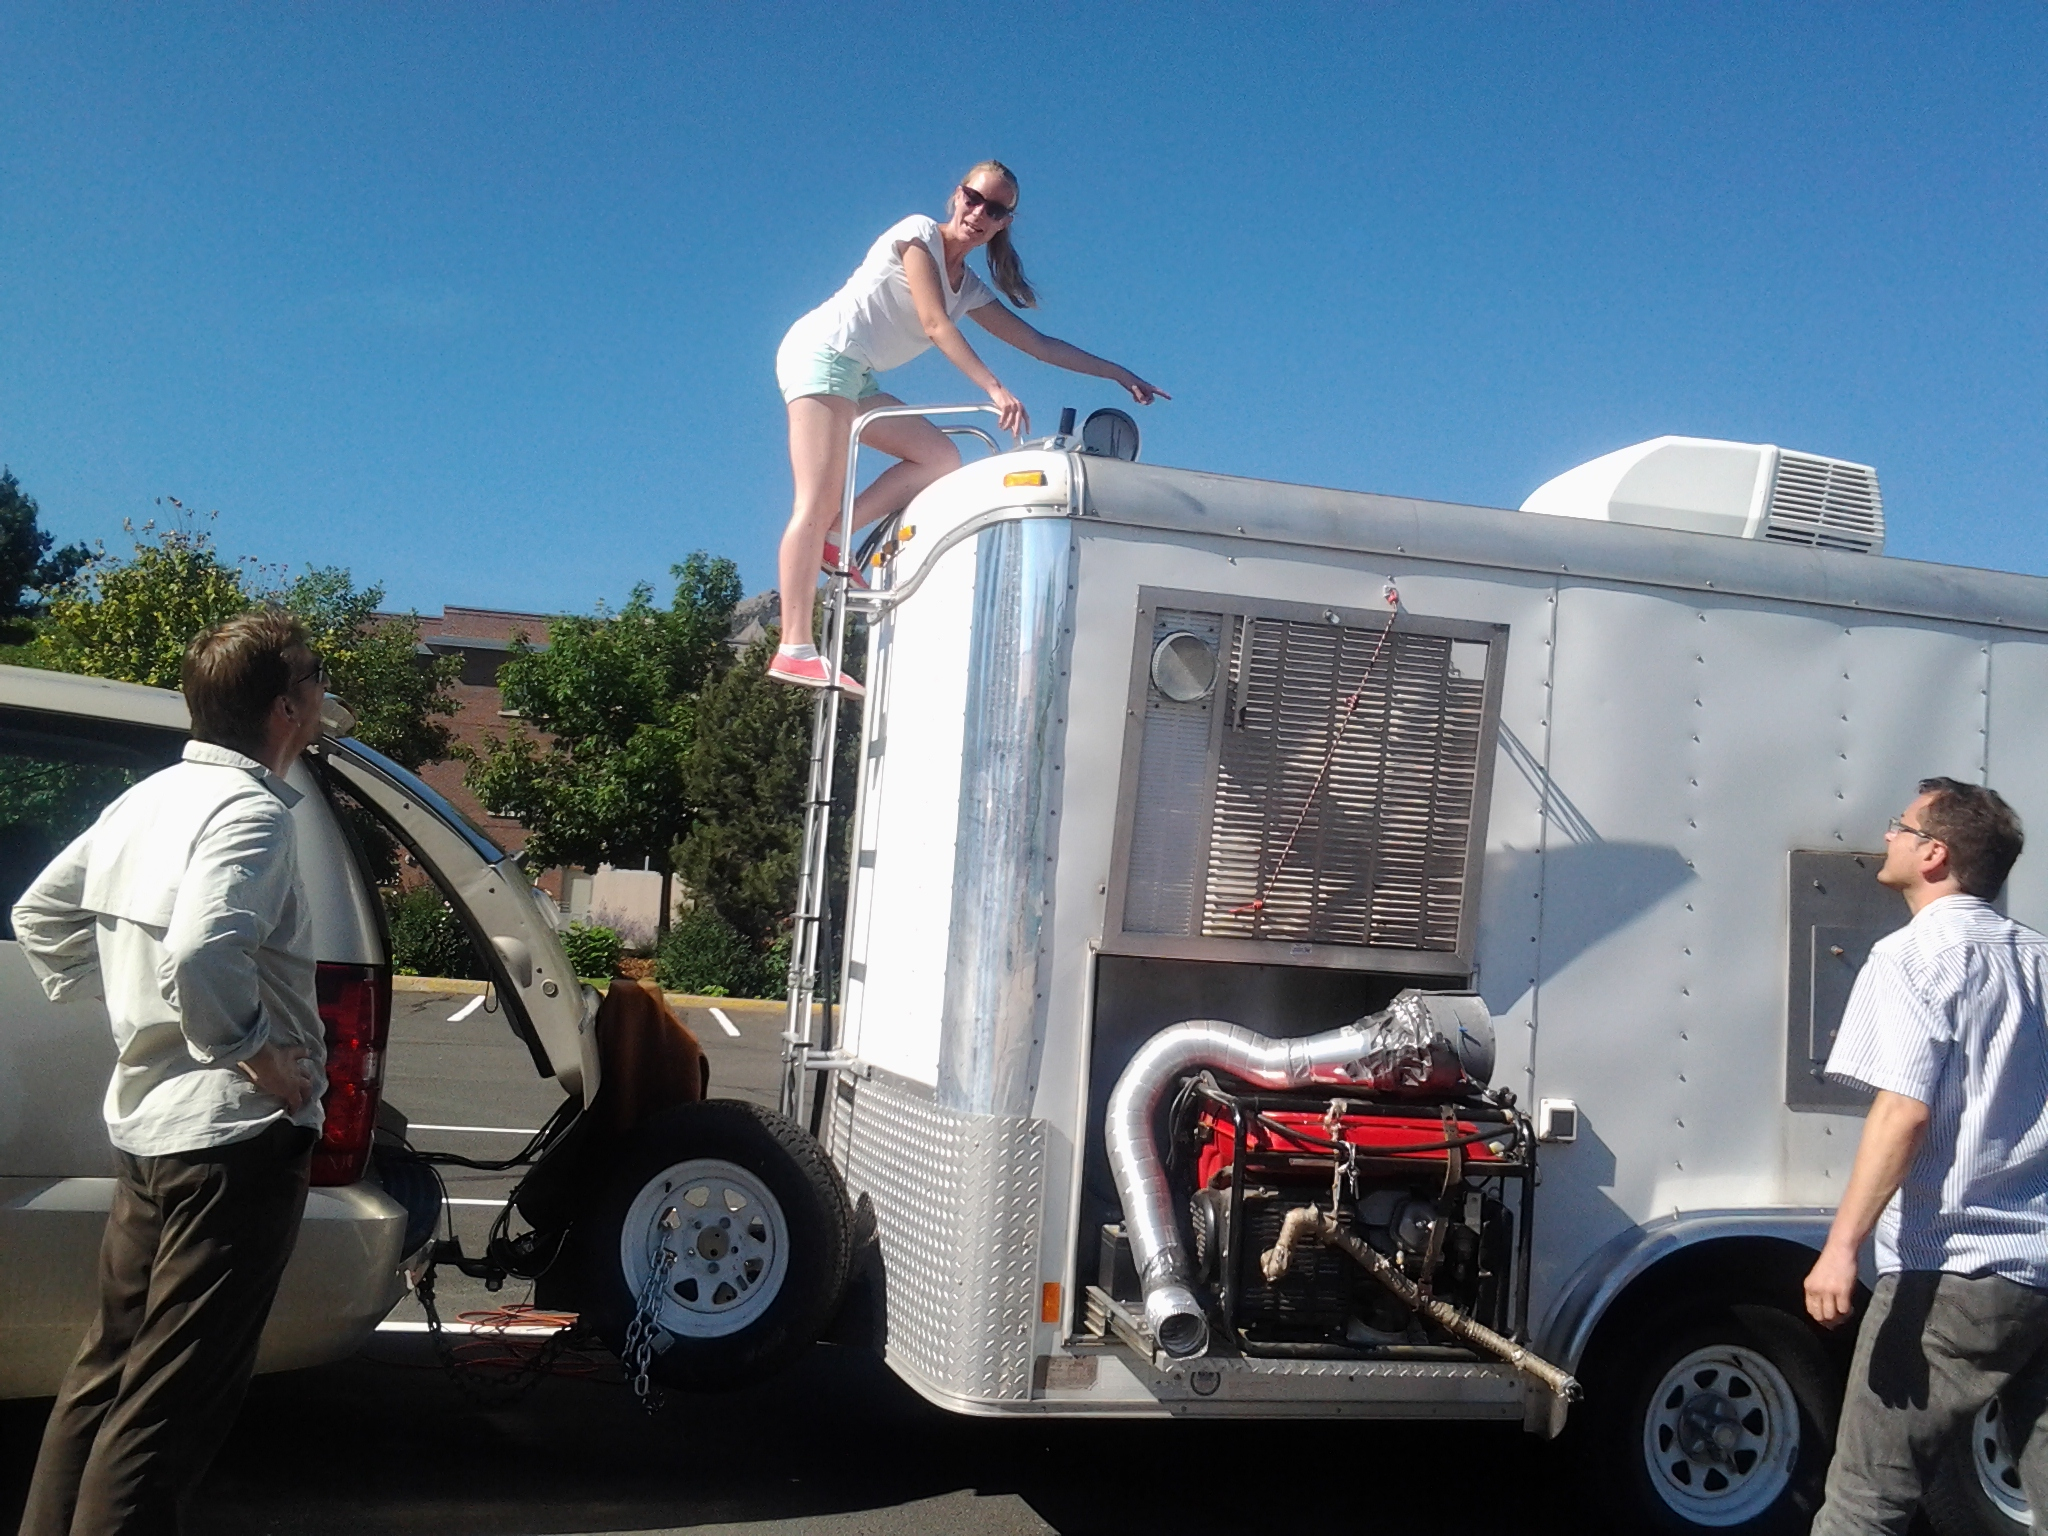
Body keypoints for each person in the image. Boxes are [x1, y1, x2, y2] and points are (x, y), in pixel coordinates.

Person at [13, 610, 332, 1536]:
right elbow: (201, 950)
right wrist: (253, 1052)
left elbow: (41, 914)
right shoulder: (251, 813)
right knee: (170, 1403)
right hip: (235, 1142)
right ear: (285, 709)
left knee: (104, 1374)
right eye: (312, 682)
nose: (320, 698)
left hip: (151, 1133)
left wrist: (125, 999)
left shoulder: (146, 800)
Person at [768, 158, 1168, 693]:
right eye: (973, 198)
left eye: (995, 209)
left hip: (855, 375)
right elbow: (933, 323)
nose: (978, 213)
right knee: (811, 502)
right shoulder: (915, 234)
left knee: (938, 459)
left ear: (1003, 223)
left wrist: (1118, 374)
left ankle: (835, 535)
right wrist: (993, 388)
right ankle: (794, 646)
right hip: (821, 356)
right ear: (956, 195)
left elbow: (1039, 345)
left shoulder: (971, 288)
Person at [1803, 778, 2048, 1534]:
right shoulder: (2040, 960)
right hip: (2040, 1272)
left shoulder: (1910, 957)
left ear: (1934, 854)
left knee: (1865, 1505)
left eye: (1898, 827)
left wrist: (1840, 1250)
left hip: (1950, 1270)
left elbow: (1903, 1113)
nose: (1887, 838)